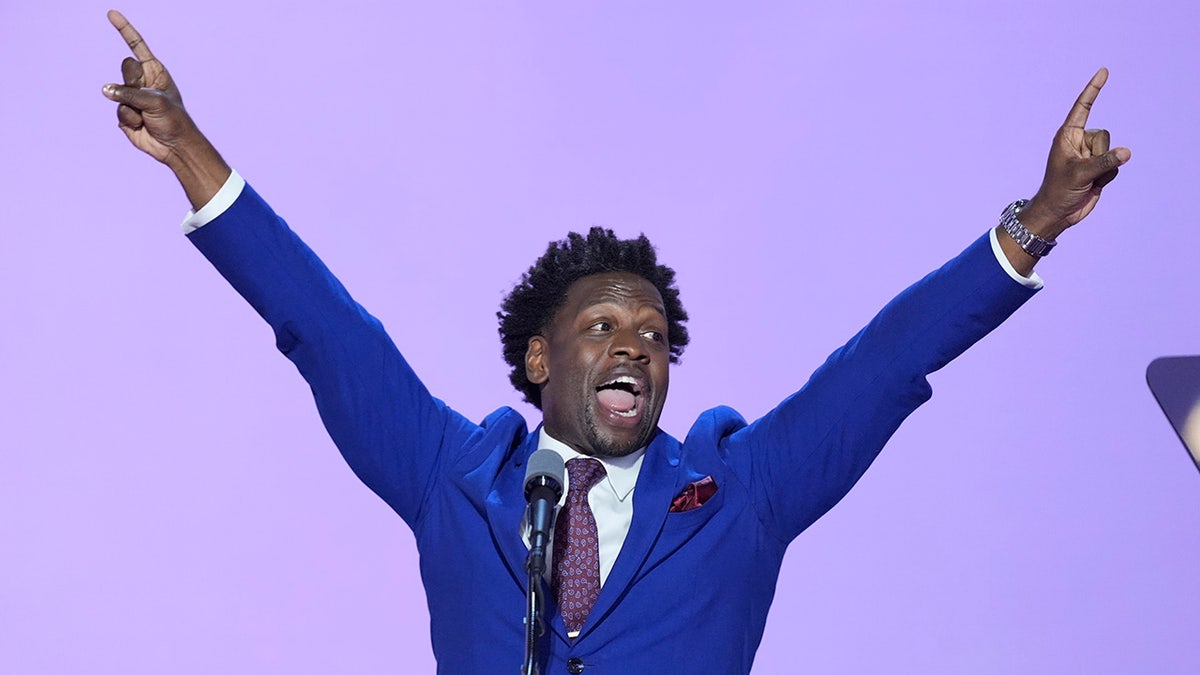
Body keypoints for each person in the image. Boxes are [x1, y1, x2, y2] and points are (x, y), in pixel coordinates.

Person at [101, 9, 1129, 673]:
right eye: (602, 325)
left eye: (654, 332)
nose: (636, 344)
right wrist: (186, 146)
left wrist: (1035, 219)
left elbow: (883, 361)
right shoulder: (447, 475)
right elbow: (326, 331)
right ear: (541, 359)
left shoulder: (744, 492)